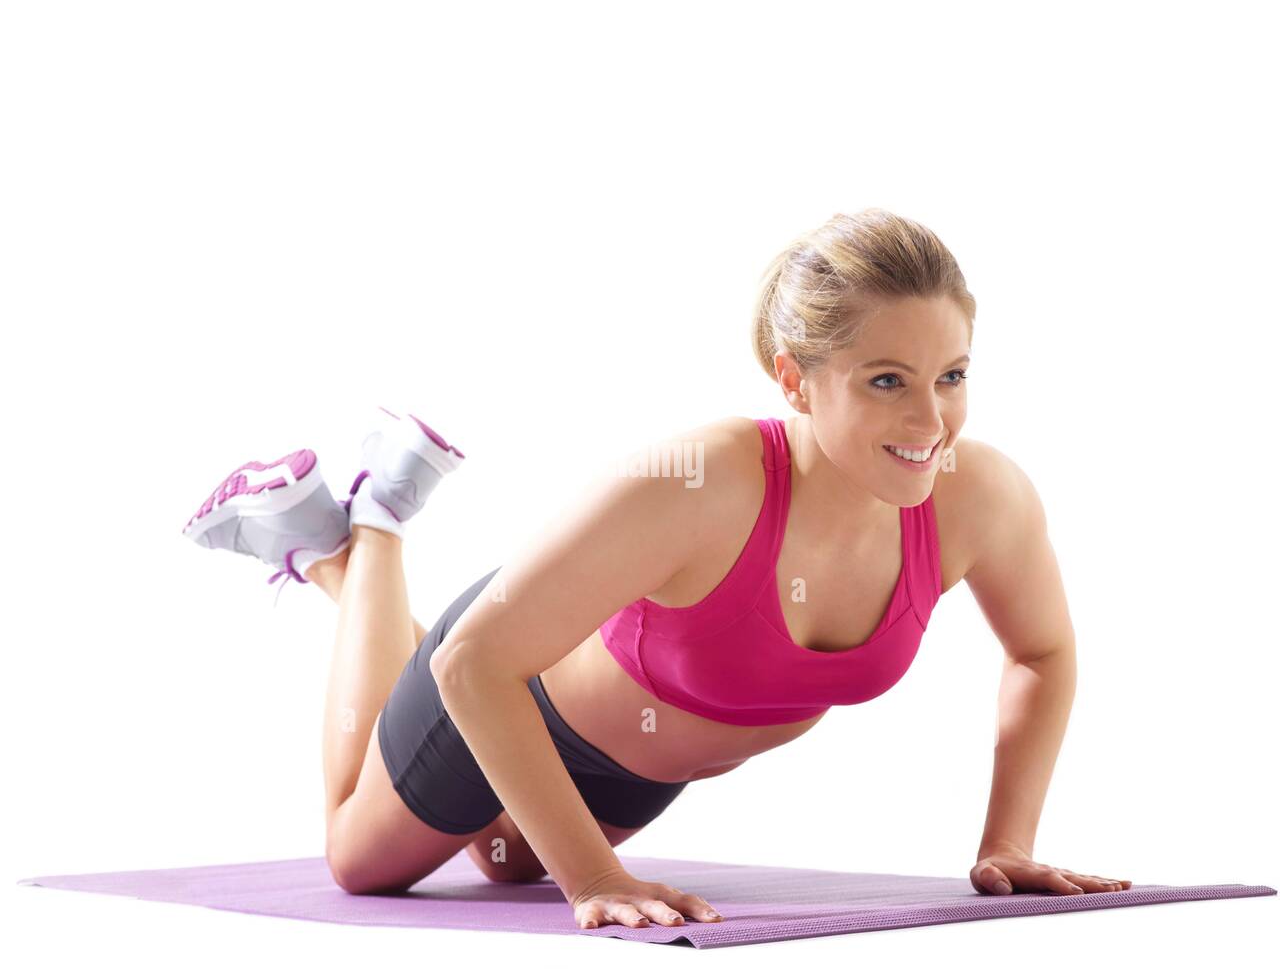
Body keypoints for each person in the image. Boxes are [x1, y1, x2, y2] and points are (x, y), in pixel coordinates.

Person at [182, 208, 1131, 932]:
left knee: (510, 864)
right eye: (887, 380)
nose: (931, 422)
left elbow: (1042, 650)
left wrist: (1007, 843)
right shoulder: (699, 483)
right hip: (508, 691)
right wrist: (595, 881)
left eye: (952, 377)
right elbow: (469, 665)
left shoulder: (981, 497)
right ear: (793, 377)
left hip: (636, 766)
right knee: (359, 859)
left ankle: (342, 568)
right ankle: (375, 527)